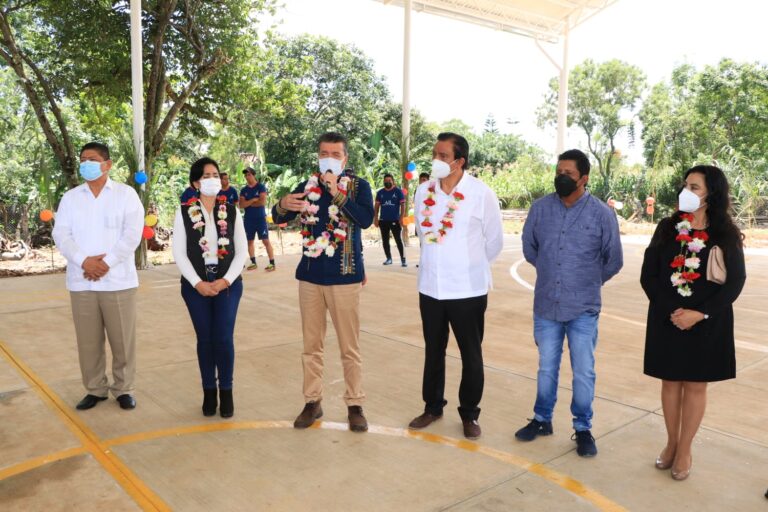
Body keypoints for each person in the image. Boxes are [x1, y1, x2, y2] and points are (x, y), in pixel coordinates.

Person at [515, 149, 623, 457]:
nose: (561, 178)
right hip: (547, 304)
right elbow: (529, 248)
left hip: (583, 308)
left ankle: (583, 427)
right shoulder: (540, 209)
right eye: (559, 172)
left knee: (584, 370)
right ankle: (541, 419)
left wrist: (586, 280)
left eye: (569, 174)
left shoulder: (602, 214)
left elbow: (613, 260)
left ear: (584, 179)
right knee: (546, 368)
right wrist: (553, 272)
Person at [640, 165, 746, 480]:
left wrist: (699, 313)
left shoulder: (725, 233)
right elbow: (649, 275)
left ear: (711, 194)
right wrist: (673, 311)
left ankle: (685, 449)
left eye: (695, 187)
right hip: (667, 318)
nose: (686, 191)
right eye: (685, 185)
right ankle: (671, 443)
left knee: (696, 385)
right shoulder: (666, 227)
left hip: (708, 321)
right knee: (670, 382)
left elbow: (735, 281)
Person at [272, 132, 374, 433]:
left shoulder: (358, 187)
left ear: (345, 159)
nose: (328, 158)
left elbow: (365, 219)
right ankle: (312, 402)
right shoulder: (308, 186)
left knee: (349, 347)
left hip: (345, 277)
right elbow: (278, 217)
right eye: (323, 152)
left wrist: (337, 193)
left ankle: (355, 404)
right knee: (311, 346)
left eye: (335, 153)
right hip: (310, 278)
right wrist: (282, 204)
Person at [407, 133, 504, 440]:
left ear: (460, 161)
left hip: (468, 290)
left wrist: (469, 266)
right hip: (431, 288)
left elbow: (495, 241)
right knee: (433, 351)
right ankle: (432, 407)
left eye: (443, 156)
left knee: (470, 354)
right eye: (434, 154)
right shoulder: (423, 191)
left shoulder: (480, 193)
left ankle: (469, 414)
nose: (436, 160)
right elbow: (424, 237)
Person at [52, 142, 144, 411]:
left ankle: (123, 388)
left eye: (91, 159)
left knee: (123, 341)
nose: (85, 164)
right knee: (88, 341)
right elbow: (61, 234)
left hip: (118, 280)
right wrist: (85, 261)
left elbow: (132, 234)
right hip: (82, 280)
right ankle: (95, 389)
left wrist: (107, 263)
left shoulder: (126, 195)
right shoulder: (71, 198)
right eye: (82, 159)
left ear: (107, 164)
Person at [173, 157, 248, 418]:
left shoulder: (232, 209)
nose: (213, 179)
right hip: (196, 285)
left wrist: (226, 280)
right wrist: (197, 283)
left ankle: (226, 391)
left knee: (223, 338)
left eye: (215, 174)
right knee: (205, 339)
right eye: (206, 176)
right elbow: (179, 253)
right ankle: (209, 391)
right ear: (196, 182)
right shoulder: (184, 211)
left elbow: (242, 251)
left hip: (228, 283)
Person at [239, 167, 275, 271]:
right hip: (248, 220)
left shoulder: (261, 187)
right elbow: (241, 205)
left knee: (265, 241)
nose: (247, 177)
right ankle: (253, 262)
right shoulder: (244, 190)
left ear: (254, 175)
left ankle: (272, 263)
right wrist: (253, 200)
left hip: (260, 219)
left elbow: (262, 202)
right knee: (249, 241)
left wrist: (248, 203)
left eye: (249, 174)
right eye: (245, 175)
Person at [374, 173, 407, 267]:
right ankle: (389, 258)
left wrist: (401, 217)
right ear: (383, 182)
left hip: (395, 220)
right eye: (386, 181)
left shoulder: (398, 191)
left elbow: (403, 204)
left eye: (389, 181)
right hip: (383, 221)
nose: (387, 182)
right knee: (385, 241)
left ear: (393, 181)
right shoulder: (380, 193)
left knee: (398, 240)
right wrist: (375, 218)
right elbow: (376, 206)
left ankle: (403, 259)